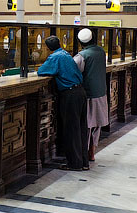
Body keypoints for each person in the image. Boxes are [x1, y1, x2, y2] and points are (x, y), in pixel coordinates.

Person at [37, 35, 88, 170]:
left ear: (47, 48)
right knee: (81, 128)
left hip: (70, 95)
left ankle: (74, 164)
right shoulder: (66, 54)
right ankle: (83, 162)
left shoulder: (55, 57)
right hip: (80, 92)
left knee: (71, 129)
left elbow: (41, 71)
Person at [74, 29, 109, 162]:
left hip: (89, 94)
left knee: (87, 124)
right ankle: (92, 151)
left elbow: (74, 70)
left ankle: (85, 152)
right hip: (101, 91)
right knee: (97, 124)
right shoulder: (101, 51)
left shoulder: (82, 56)